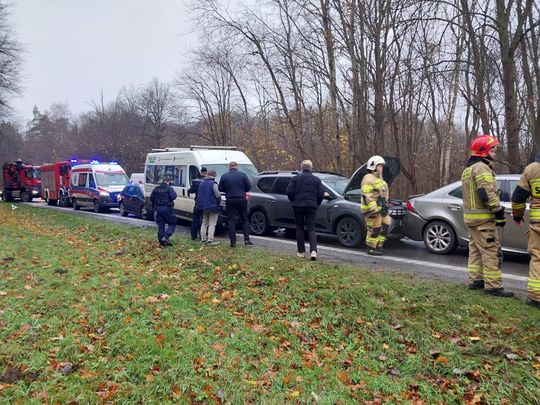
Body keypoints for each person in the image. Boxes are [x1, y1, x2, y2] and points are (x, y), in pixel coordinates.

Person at [461, 134, 513, 297]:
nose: (495, 152)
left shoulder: (468, 169)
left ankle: (476, 280)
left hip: (471, 219)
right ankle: (493, 286)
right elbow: (486, 192)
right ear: (483, 151)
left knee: (475, 251)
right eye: (492, 149)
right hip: (483, 220)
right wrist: (498, 212)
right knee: (491, 251)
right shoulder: (482, 168)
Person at [511, 153, 540, 308]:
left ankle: (536, 297)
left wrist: (517, 216)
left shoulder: (532, 169)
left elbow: (518, 198)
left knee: (538, 258)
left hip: (538, 224)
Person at [286, 160, 324, 260]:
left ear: (302, 168)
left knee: (299, 228)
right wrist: (316, 203)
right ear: (311, 168)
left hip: (297, 206)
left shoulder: (295, 178)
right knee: (311, 228)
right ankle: (313, 251)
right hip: (311, 206)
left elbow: (289, 192)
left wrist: (293, 201)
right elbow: (321, 194)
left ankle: (301, 252)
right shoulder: (316, 180)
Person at [218, 161, 253, 247]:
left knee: (231, 220)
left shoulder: (224, 176)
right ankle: (247, 240)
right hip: (241, 199)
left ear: (229, 167)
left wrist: (228, 190)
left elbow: (220, 188)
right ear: (237, 166)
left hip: (230, 199)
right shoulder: (243, 175)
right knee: (244, 219)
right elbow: (249, 187)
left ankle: (233, 242)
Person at [361, 155, 390, 256]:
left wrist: (385, 205)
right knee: (374, 228)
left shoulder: (379, 178)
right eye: (380, 166)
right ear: (373, 166)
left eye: (382, 166)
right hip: (372, 210)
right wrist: (375, 208)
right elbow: (367, 195)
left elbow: (383, 192)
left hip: (381, 208)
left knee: (386, 225)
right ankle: (371, 248)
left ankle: (379, 245)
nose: (382, 168)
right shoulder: (368, 178)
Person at [150, 174, 177, 247]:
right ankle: (166, 237)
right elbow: (174, 197)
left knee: (161, 226)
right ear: (168, 181)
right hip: (167, 208)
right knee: (173, 222)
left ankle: (161, 243)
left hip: (158, 209)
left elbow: (151, 198)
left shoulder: (156, 188)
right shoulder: (169, 188)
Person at [197, 169, 221, 245]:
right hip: (212, 206)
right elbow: (217, 195)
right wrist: (218, 203)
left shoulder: (202, 183)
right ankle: (210, 240)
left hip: (203, 206)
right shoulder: (213, 184)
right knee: (212, 224)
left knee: (204, 222)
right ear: (214, 175)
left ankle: (203, 238)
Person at [188, 166, 208, 240]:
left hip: (197, 202)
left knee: (195, 219)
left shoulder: (195, 181)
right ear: (206, 172)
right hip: (206, 203)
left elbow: (191, 191)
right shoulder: (207, 181)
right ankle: (202, 236)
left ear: (200, 172)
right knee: (204, 220)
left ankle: (193, 236)